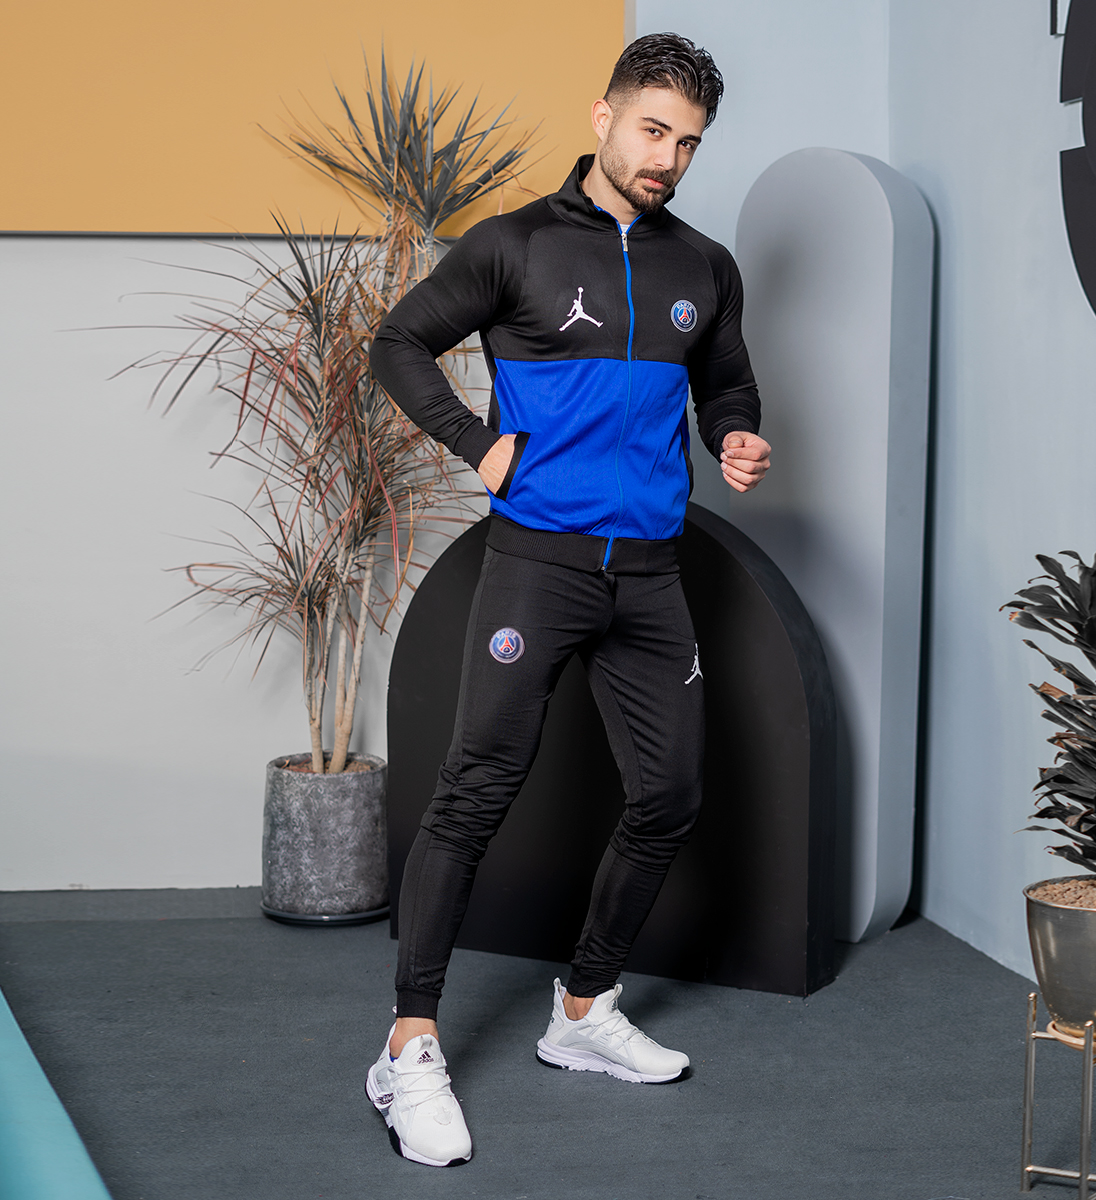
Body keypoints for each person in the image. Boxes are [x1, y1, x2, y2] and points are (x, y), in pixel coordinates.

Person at [365, 31, 771, 1168]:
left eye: (687, 143)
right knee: (475, 792)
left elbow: (725, 378)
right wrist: (474, 440)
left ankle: (583, 1010)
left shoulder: (705, 265)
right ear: (603, 118)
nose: (667, 158)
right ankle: (407, 1047)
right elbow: (399, 342)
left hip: (650, 573)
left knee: (671, 794)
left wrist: (734, 432)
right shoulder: (515, 245)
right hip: (536, 566)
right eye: (652, 131)